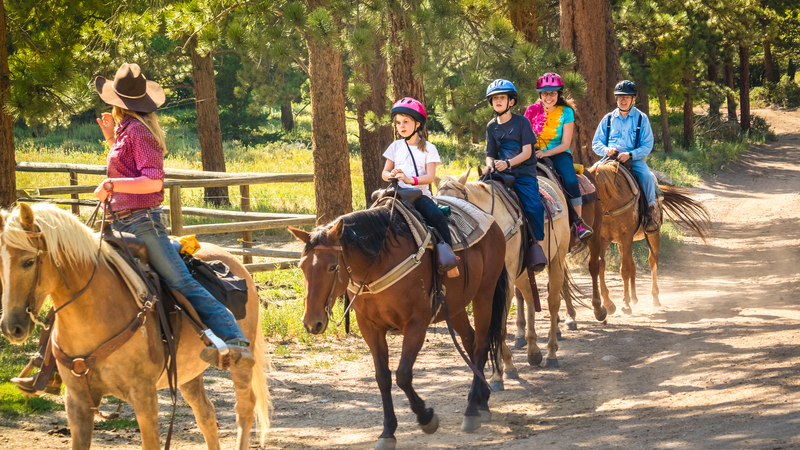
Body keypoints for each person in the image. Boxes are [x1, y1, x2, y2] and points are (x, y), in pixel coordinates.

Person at [92, 63, 254, 368]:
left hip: (141, 223)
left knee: (181, 282)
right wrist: (111, 139)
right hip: (122, 220)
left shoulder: (139, 132)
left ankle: (235, 339)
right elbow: (130, 167)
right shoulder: (128, 130)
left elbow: (153, 181)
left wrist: (112, 184)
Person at [382, 97, 459, 278]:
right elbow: (384, 173)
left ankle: (450, 260)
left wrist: (409, 180)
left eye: (406, 122)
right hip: (395, 195)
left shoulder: (429, 148)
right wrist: (391, 175)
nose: (401, 126)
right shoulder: (394, 146)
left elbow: (430, 177)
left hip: (418, 196)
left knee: (437, 217)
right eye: (398, 122)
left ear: (417, 124)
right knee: (371, 215)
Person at [481, 79, 547, 271]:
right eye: (494, 99)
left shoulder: (522, 122)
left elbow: (527, 152)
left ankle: (538, 247)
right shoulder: (491, 126)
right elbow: (490, 154)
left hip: (523, 173)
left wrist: (508, 163)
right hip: (501, 173)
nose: (498, 101)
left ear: (511, 101)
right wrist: (489, 166)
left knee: (534, 206)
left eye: (502, 98)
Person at [524, 72, 593, 241]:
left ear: (558, 94)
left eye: (553, 93)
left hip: (559, 153)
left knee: (570, 180)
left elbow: (565, 144)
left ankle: (578, 224)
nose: (549, 97)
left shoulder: (566, 112)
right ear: (540, 94)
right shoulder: (531, 110)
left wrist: (545, 153)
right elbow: (523, 135)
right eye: (546, 93)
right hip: (532, 154)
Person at [591, 80, 659, 233]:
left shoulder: (642, 118)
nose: (623, 100)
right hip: (609, 160)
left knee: (647, 176)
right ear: (616, 99)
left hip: (633, 160)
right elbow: (596, 143)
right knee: (590, 176)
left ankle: (650, 213)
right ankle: (587, 216)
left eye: (627, 97)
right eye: (620, 97)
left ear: (633, 99)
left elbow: (647, 145)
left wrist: (631, 154)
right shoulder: (608, 119)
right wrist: (606, 150)